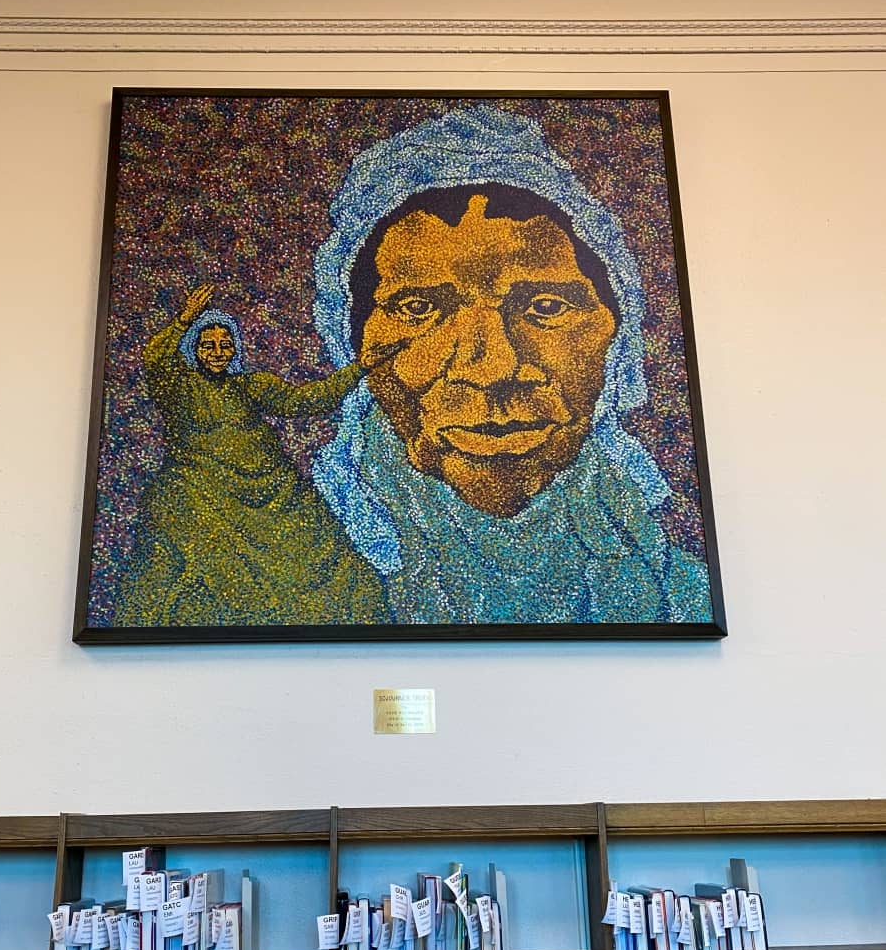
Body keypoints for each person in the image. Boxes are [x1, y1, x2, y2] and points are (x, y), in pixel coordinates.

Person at [310, 105, 715, 625]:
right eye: (419, 308)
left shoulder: (685, 599)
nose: (492, 368)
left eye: (546, 306)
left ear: (616, 342)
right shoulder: (302, 589)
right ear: (355, 347)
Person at [113, 283, 392, 627]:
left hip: (275, 493)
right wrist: (185, 319)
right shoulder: (179, 386)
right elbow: (156, 360)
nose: (218, 352)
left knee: (327, 560)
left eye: (225, 344)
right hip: (203, 494)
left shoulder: (249, 385)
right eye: (208, 345)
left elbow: (307, 400)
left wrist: (359, 367)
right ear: (194, 348)